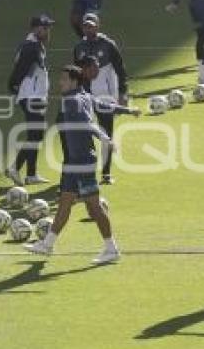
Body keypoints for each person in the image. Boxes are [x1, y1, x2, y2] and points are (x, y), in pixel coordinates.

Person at [25, 65, 130, 264]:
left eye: (64, 79)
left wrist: (105, 138)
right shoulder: (84, 95)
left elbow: (87, 123)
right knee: (65, 202)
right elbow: (104, 105)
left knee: (94, 207)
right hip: (75, 161)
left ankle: (111, 249)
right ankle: (47, 245)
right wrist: (127, 110)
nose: (60, 82)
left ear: (75, 81)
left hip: (82, 162)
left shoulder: (72, 100)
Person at [73, 13, 129, 184]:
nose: (89, 28)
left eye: (92, 25)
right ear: (82, 27)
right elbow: (75, 72)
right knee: (84, 136)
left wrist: (123, 93)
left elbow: (121, 69)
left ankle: (105, 173)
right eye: (86, 25)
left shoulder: (108, 45)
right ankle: (84, 172)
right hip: (86, 97)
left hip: (106, 97)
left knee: (106, 134)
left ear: (98, 26)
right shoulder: (79, 47)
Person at [5, 15, 55, 186]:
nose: (48, 31)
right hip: (31, 97)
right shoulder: (31, 47)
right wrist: (13, 86)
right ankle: (15, 168)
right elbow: (19, 70)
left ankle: (31, 174)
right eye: (44, 27)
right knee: (35, 134)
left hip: (35, 96)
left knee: (36, 134)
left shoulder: (35, 45)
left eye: (48, 27)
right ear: (35, 28)